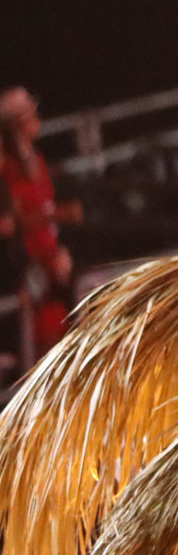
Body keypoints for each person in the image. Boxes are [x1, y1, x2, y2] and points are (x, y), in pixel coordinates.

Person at [0, 89, 78, 356]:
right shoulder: (8, 170)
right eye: (29, 114)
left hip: (52, 255)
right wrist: (59, 215)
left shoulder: (37, 161)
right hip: (30, 262)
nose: (36, 119)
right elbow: (14, 221)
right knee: (46, 332)